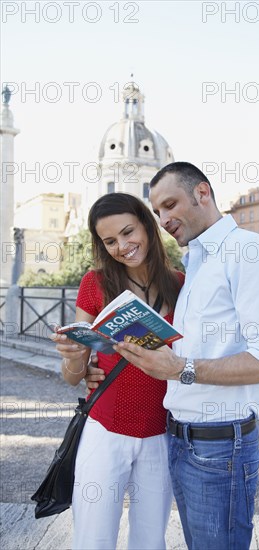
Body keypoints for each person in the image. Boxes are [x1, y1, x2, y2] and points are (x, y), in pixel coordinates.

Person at [107, 162, 259, 550]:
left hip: (221, 447)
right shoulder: (197, 261)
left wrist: (180, 368)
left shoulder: (249, 251)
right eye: (157, 212)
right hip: (181, 440)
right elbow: (203, 346)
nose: (164, 219)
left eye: (171, 204)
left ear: (202, 193)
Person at [51, 192, 184, 550]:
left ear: (147, 225)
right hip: (104, 427)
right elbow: (73, 376)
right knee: (92, 538)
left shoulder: (181, 284)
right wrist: (75, 357)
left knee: (150, 539)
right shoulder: (94, 283)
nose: (122, 246)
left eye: (128, 232)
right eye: (110, 241)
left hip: (161, 431)